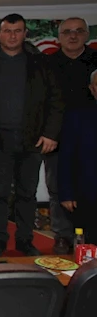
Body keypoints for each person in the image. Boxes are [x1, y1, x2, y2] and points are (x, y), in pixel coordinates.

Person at [0, 13, 64, 257]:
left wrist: (50, 134)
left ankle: (25, 240)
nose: (12, 36)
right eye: (7, 31)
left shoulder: (40, 62)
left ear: (25, 34)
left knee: (27, 193)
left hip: (32, 138)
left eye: (17, 31)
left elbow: (56, 99)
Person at [46, 17, 97, 253]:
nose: (73, 36)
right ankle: (63, 236)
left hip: (89, 136)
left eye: (78, 31)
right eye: (67, 32)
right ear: (59, 37)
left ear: (86, 35)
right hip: (56, 137)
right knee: (58, 189)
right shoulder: (49, 63)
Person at [58, 70, 97, 242]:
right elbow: (66, 157)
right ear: (92, 88)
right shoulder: (77, 117)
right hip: (89, 196)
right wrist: (66, 193)